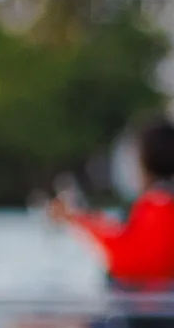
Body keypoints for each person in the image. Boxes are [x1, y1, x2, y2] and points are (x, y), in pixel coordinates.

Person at [52, 120, 174, 288]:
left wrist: (78, 220)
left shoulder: (159, 204)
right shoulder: (160, 203)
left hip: (149, 310)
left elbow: (132, 260)